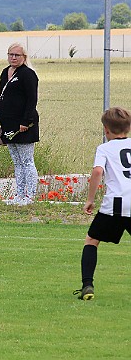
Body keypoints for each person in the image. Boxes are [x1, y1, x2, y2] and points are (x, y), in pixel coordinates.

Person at [73, 107, 131, 300]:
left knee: (92, 240)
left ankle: (87, 286)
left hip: (115, 205)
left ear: (106, 130)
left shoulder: (104, 148)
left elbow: (98, 171)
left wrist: (90, 200)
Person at [0, 42, 39, 206]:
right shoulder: (5, 72)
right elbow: (1, 95)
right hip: (8, 123)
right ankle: (19, 194)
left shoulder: (28, 74)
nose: (13, 57)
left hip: (24, 124)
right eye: (10, 54)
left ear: (24, 57)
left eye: (17, 55)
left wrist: (26, 121)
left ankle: (30, 195)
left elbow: (32, 99)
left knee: (27, 161)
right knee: (17, 161)